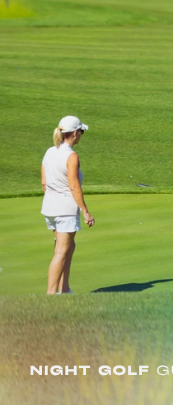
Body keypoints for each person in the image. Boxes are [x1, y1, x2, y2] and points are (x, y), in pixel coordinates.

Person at [41, 115, 95, 295]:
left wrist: (53, 201)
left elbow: (44, 183)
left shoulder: (50, 152)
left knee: (68, 247)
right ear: (74, 133)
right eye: (81, 132)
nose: (81, 135)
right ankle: (51, 296)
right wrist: (85, 211)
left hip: (50, 207)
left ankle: (64, 290)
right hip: (65, 210)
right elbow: (74, 186)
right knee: (61, 252)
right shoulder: (71, 156)